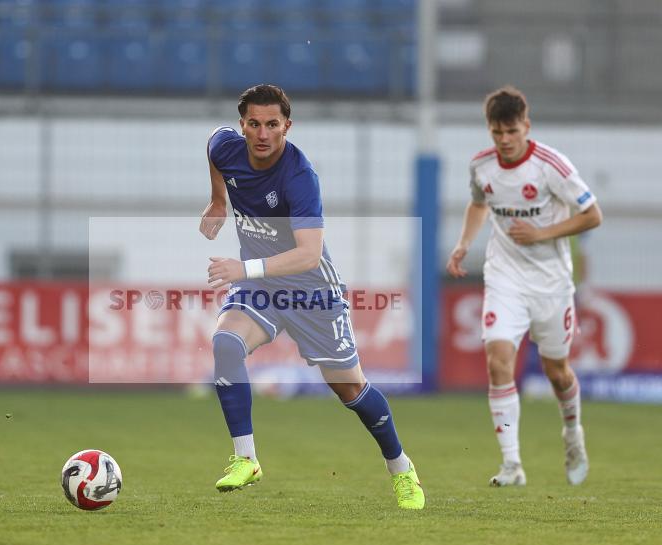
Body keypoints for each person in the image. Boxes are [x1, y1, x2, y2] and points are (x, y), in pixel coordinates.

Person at [199, 84, 424, 510]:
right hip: (260, 289)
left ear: (287, 125)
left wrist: (242, 268)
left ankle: (402, 468)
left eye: (272, 125)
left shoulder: (298, 176)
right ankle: (245, 458)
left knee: (351, 391)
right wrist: (217, 200)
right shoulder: (226, 149)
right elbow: (213, 143)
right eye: (254, 124)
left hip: (311, 292)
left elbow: (309, 253)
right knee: (225, 343)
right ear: (242, 125)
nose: (263, 134)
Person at [446, 86, 602, 487]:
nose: (504, 140)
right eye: (497, 133)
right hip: (505, 277)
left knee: (557, 372)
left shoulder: (551, 165)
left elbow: (592, 215)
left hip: (551, 282)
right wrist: (464, 244)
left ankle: (572, 433)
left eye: (511, 132)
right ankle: (512, 465)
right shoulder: (481, 165)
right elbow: (479, 203)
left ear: (526, 127)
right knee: (498, 360)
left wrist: (543, 232)